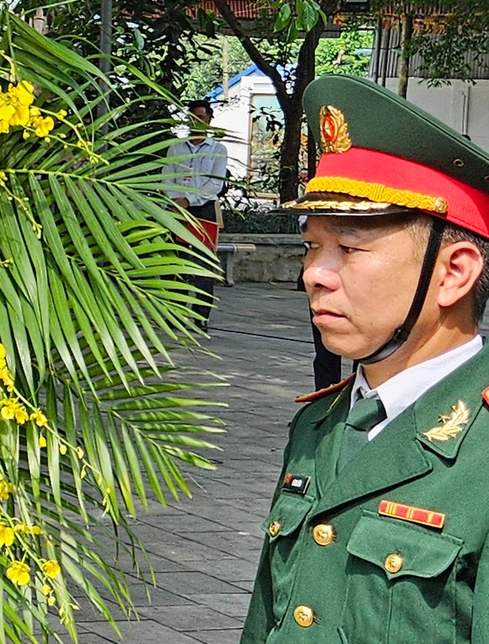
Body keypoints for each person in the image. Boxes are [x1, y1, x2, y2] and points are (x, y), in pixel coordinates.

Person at [240, 75, 489, 643]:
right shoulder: (320, 424)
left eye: (349, 249)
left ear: (453, 272)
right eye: (311, 247)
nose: (314, 274)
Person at [166, 97, 227, 324]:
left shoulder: (217, 150)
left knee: (203, 264)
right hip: (177, 211)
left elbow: (215, 185)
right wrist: (176, 200)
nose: (196, 122)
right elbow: (166, 178)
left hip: (204, 211)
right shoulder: (176, 148)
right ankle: (177, 313)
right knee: (178, 261)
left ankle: (200, 315)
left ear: (209, 120)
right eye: (192, 118)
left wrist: (190, 200)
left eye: (200, 118)